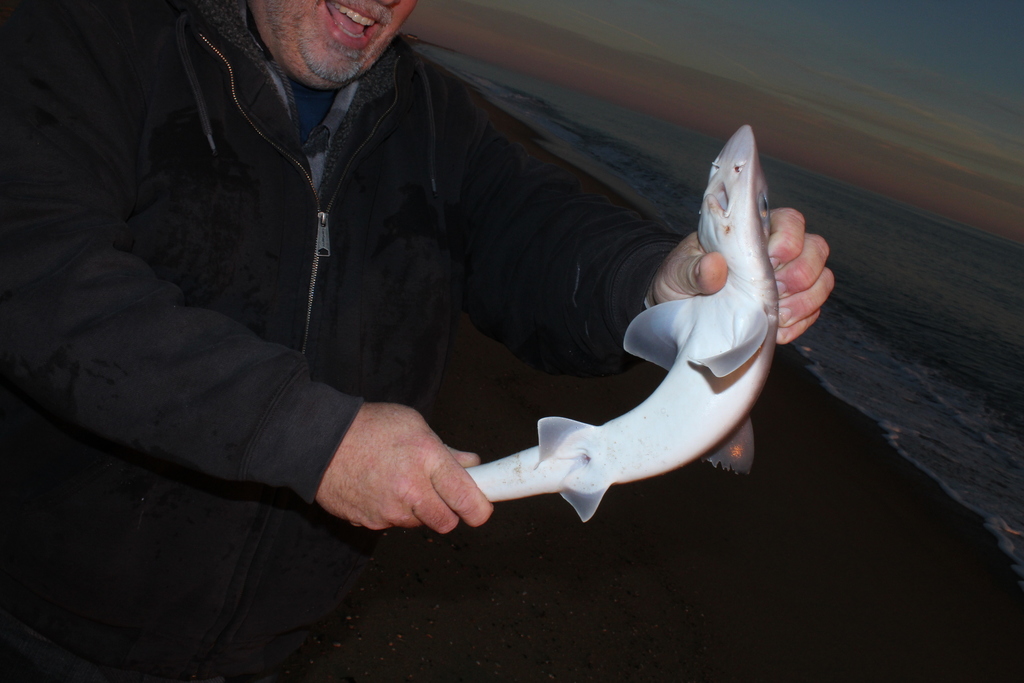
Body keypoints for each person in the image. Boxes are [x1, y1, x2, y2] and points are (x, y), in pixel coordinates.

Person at [0, 0, 833, 680]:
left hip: (263, 646)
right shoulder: (89, 38)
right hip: (37, 613)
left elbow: (539, 237)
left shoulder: (434, 122)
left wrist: (666, 281)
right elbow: (38, 274)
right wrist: (313, 439)